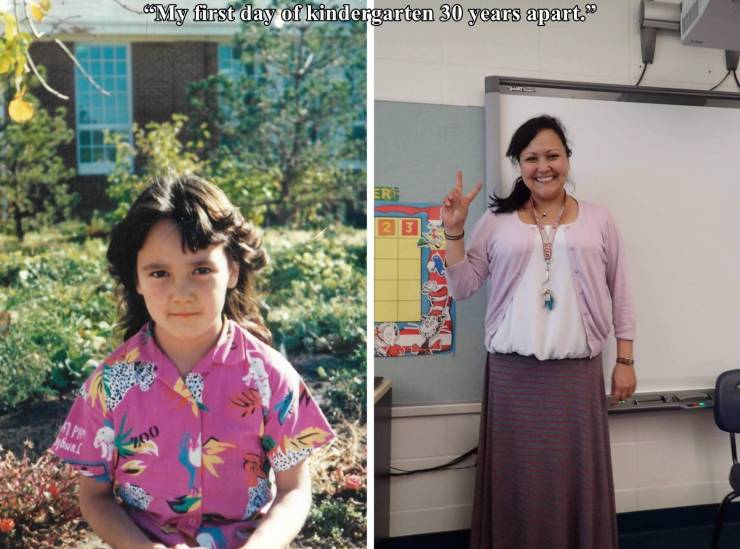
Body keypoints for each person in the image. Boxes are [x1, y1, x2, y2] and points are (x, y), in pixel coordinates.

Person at [50, 175, 335, 549]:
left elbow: (294, 490)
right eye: (159, 273)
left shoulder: (269, 376)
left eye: (201, 270)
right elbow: (95, 497)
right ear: (136, 279)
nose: (181, 293)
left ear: (232, 270)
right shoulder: (109, 385)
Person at [441, 115, 636, 549]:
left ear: (567, 158)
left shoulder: (599, 220)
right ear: (518, 164)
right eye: (531, 158)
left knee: (576, 482)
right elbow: (463, 286)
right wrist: (453, 230)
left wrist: (625, 361)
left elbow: (621, 292)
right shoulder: (496, 221)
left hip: (577, 376)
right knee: (517, 481)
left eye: (552, 155)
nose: (543, 166)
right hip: (513, 378)